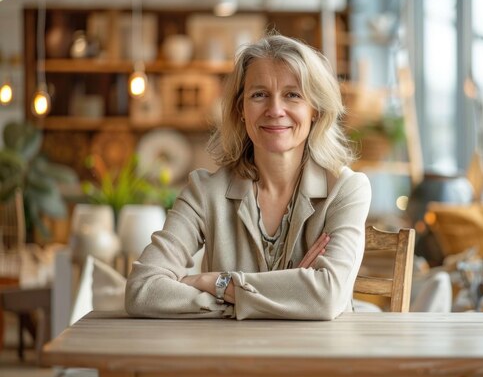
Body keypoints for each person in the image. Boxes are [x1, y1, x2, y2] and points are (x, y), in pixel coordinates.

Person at [125, 33, 372, 320]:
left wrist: (216, 283)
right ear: (241, 109)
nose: (275, 110)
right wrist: (289, 293)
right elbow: (141, 290)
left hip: (318, 358)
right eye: (259, 95)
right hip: (229, 359)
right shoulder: (205, 192)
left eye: (292, 95)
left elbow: (326, 298)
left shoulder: (347, 189)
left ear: (314, 110)